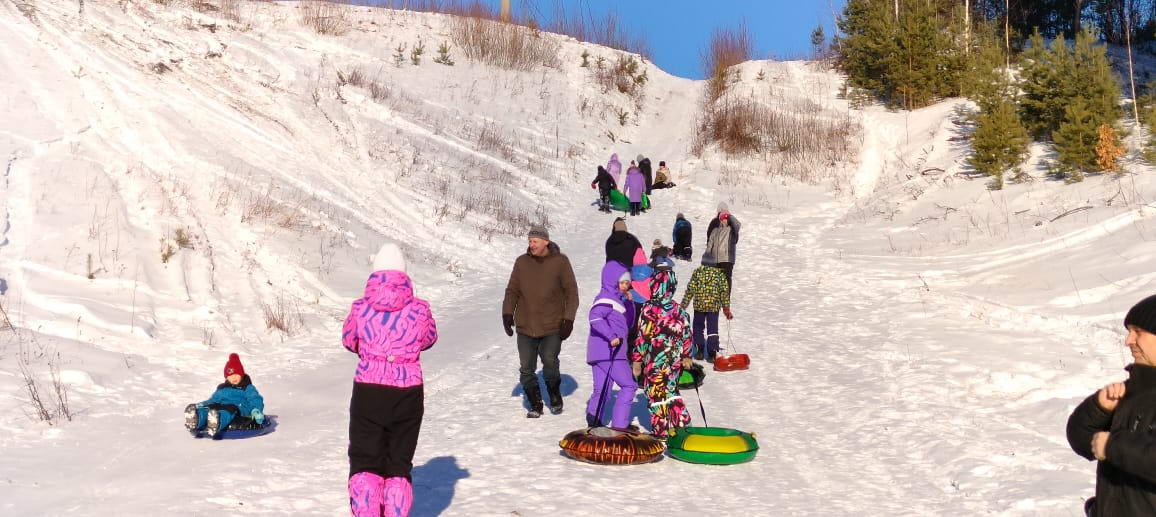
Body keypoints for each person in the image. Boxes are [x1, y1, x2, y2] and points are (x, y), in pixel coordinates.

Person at [343, 243, 438, 517]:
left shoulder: (360, 308)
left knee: (365, 458)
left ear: (374, 273)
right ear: (404, 274)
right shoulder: (420, 309)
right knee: (399, 461)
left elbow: (349, 340)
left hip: (369, 390)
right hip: (408, 391)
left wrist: (371, 351)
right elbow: (429, 339)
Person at [1068, 294, 1156, 517]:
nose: (1128, 341)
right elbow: (1083, 442)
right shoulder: (1132, 390)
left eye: (1138, 332)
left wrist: (1113, 447)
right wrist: (1099, 408)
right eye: (1129, 332)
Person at [502, 225, 580, 418]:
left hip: (552, 325)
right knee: (526, 368)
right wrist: (507, 313)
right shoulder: (522, 262)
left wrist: (568, 320)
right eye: (530, 241)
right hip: (525, 325)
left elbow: (571, 293)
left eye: (535, 241)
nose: (532, 244)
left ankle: (554, 394)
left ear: (546, 241)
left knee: (550, 361)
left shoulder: (560, 262)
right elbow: (512, 290)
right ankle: (535, 404)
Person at [632, 269, 693, 438]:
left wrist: (637, 360)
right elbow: (687, 334)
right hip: (674, 361)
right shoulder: (679, 310)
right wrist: (686, 355)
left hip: (655, 360)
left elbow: (643, 336)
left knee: (656, 394)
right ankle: (683, 428)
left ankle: (661, 433)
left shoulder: (649, 308)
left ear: (654, 285)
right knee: (671, 392)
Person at [585, 261, 637, 430]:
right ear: (611, 281)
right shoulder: (606, 299)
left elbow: (629, 324)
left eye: (627, 283)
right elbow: (594, 317)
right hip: (611, 352)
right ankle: (620, 426)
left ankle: (594, 421)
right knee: (629, 385)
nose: (625, 286)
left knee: (603, 389)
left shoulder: (616, 301)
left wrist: (629, 303)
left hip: (599, 353)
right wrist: (611, 336)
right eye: (622, 282)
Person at [184, 353, 265, 438]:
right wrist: (202, 404)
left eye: (236, 374)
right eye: (231, 375)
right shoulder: (223, 388)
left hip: (239, 409)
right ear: (226, 377)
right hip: (221, 407)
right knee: (211, 406)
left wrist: (256, 410)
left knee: (228, 410)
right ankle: (196, 419)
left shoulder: (247, 387)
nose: (234, 377)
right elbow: (213, 400)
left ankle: (216, 422)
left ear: (241, 374)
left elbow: (255, 399)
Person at [680, 258, 733, 361]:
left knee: (698, 327)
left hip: (699, 306)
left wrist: (683, 305)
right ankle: (712, 352)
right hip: (713, 306)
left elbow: (690, 289)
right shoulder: (719, 274)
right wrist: (726, 308)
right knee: (712, 329)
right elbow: (724, 292)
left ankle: (699, 349)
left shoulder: (698, 272)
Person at [705, 202, 741, 292]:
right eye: (722, 218)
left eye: (725, 218)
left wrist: (729, 216)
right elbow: (710, 240)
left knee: (726, 278)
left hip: (727, 258)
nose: (723, 220)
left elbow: (737, 225)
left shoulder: (732, 229)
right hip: (716, 258)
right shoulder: (716, 228)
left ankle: (725, 298)